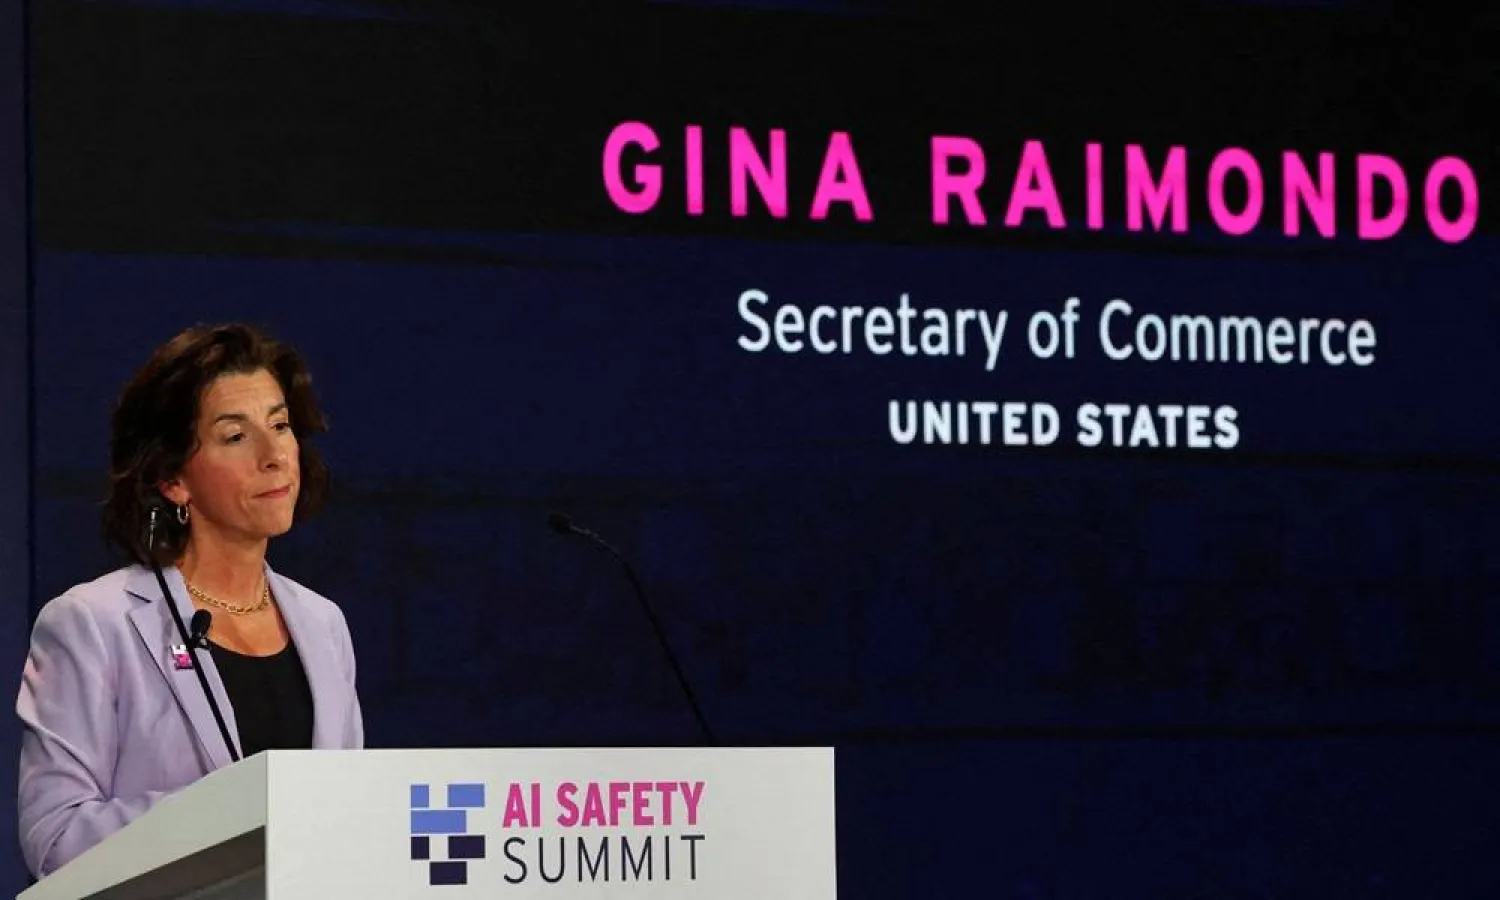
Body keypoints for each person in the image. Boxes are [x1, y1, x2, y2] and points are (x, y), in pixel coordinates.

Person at [15, 323, 364, 879]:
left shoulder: (324, 624)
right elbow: (56, 837)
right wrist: (236, 815)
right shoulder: (92, 624)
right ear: (174, 479)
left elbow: (347, 822)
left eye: (280, 425)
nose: (274, 455)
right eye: (235, 436)